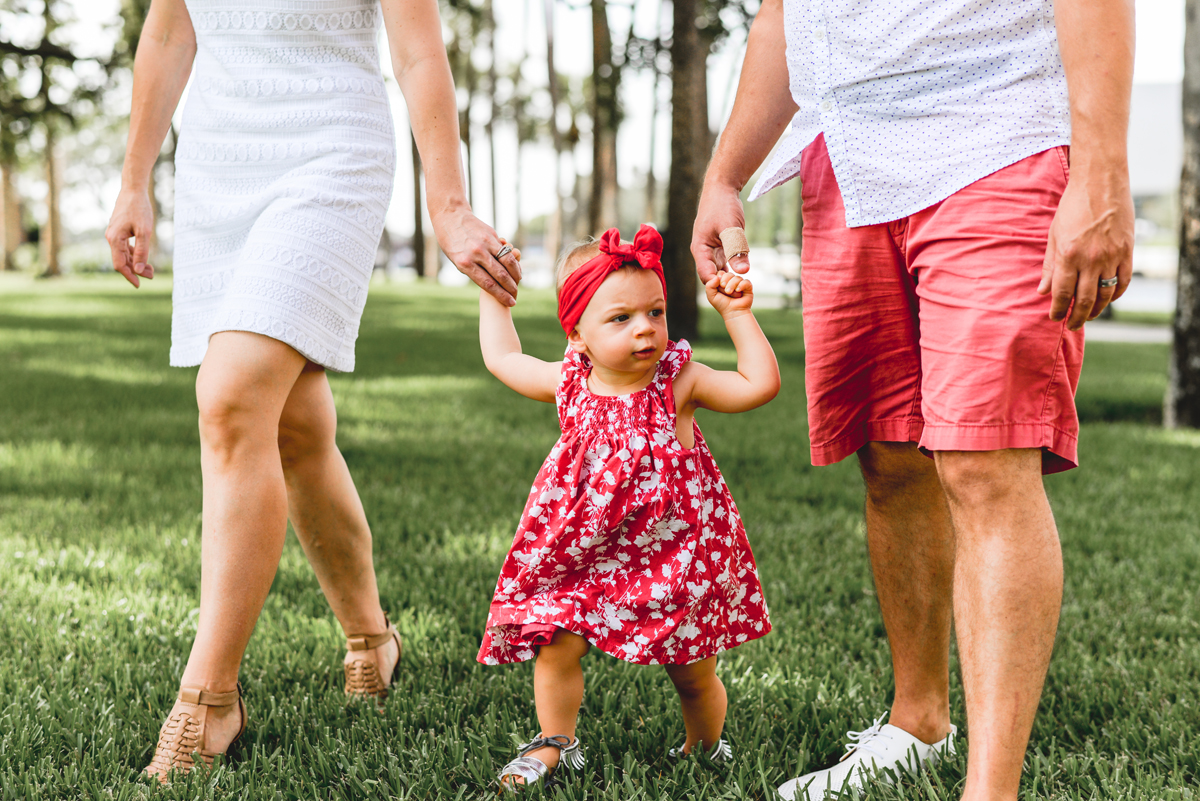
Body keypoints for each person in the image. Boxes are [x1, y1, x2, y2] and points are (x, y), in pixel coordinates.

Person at [691, 0, 1134, 799]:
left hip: (997, 132)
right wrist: (725, 176)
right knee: (889, 453)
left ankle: (988, 790)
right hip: (852, 156)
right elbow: (781, 16)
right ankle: (918, 721)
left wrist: (1102, 170)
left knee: (984, 459)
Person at [104, 0, 522, 780]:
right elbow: (169, 30)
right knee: (293, 426)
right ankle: (372, 637)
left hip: (331, 152)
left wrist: (449, 205)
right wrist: (133, 180)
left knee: (230, 397)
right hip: (221, 163)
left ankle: (211, 695)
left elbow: (419, 52)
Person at [475, 225, 779, 791]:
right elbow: (502, 357)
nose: (646, 329)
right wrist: (497, 294)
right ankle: (555, 743)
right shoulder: (570, 383)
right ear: (577, 335)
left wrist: (737, 315)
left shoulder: (678, 381)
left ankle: (706, 744)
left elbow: (757, 385)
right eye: (621, 319)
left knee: (692, 670)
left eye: (656, 312)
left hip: (673, 554)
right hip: (582, 552)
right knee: (554, 639)